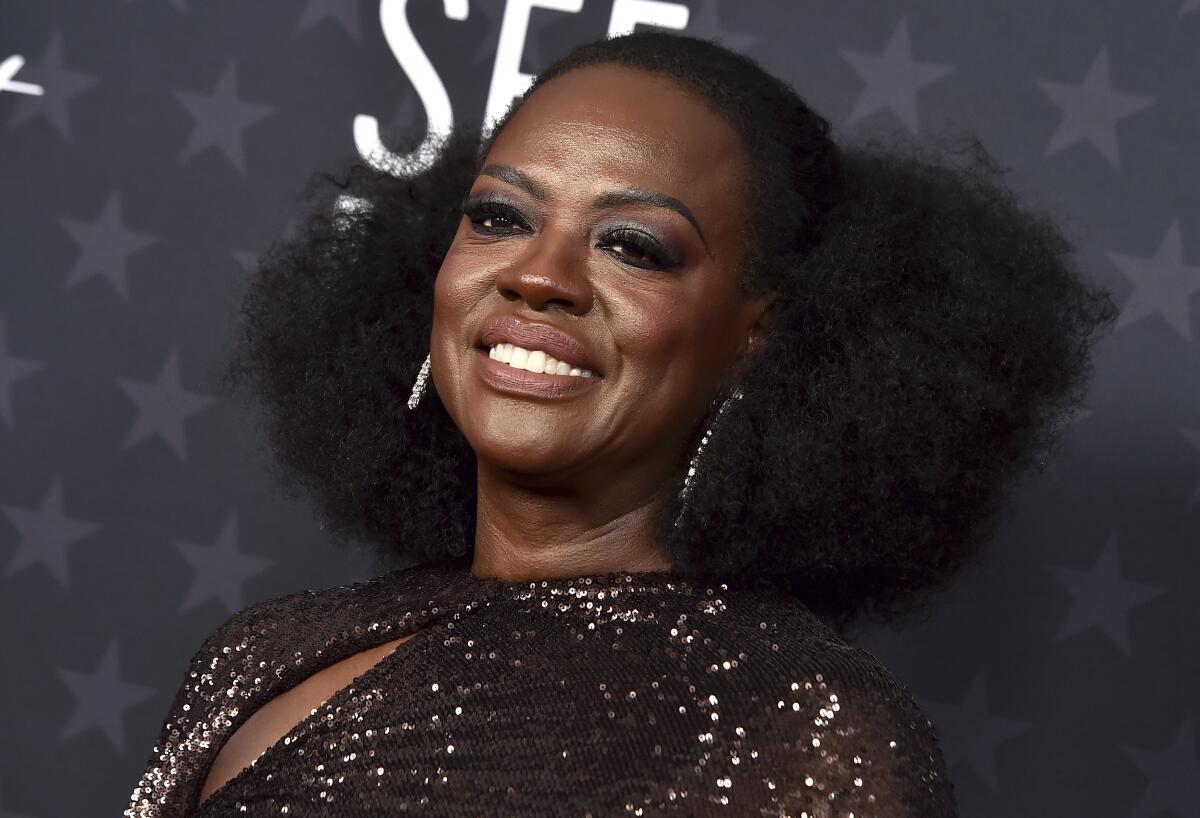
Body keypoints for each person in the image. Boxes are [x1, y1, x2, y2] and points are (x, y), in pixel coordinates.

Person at [125, 31, 1117, 817]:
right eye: (501, 217)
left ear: (763, 337)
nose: (537, 275)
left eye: (633, 245)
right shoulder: (260, 649)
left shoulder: (803, 735)